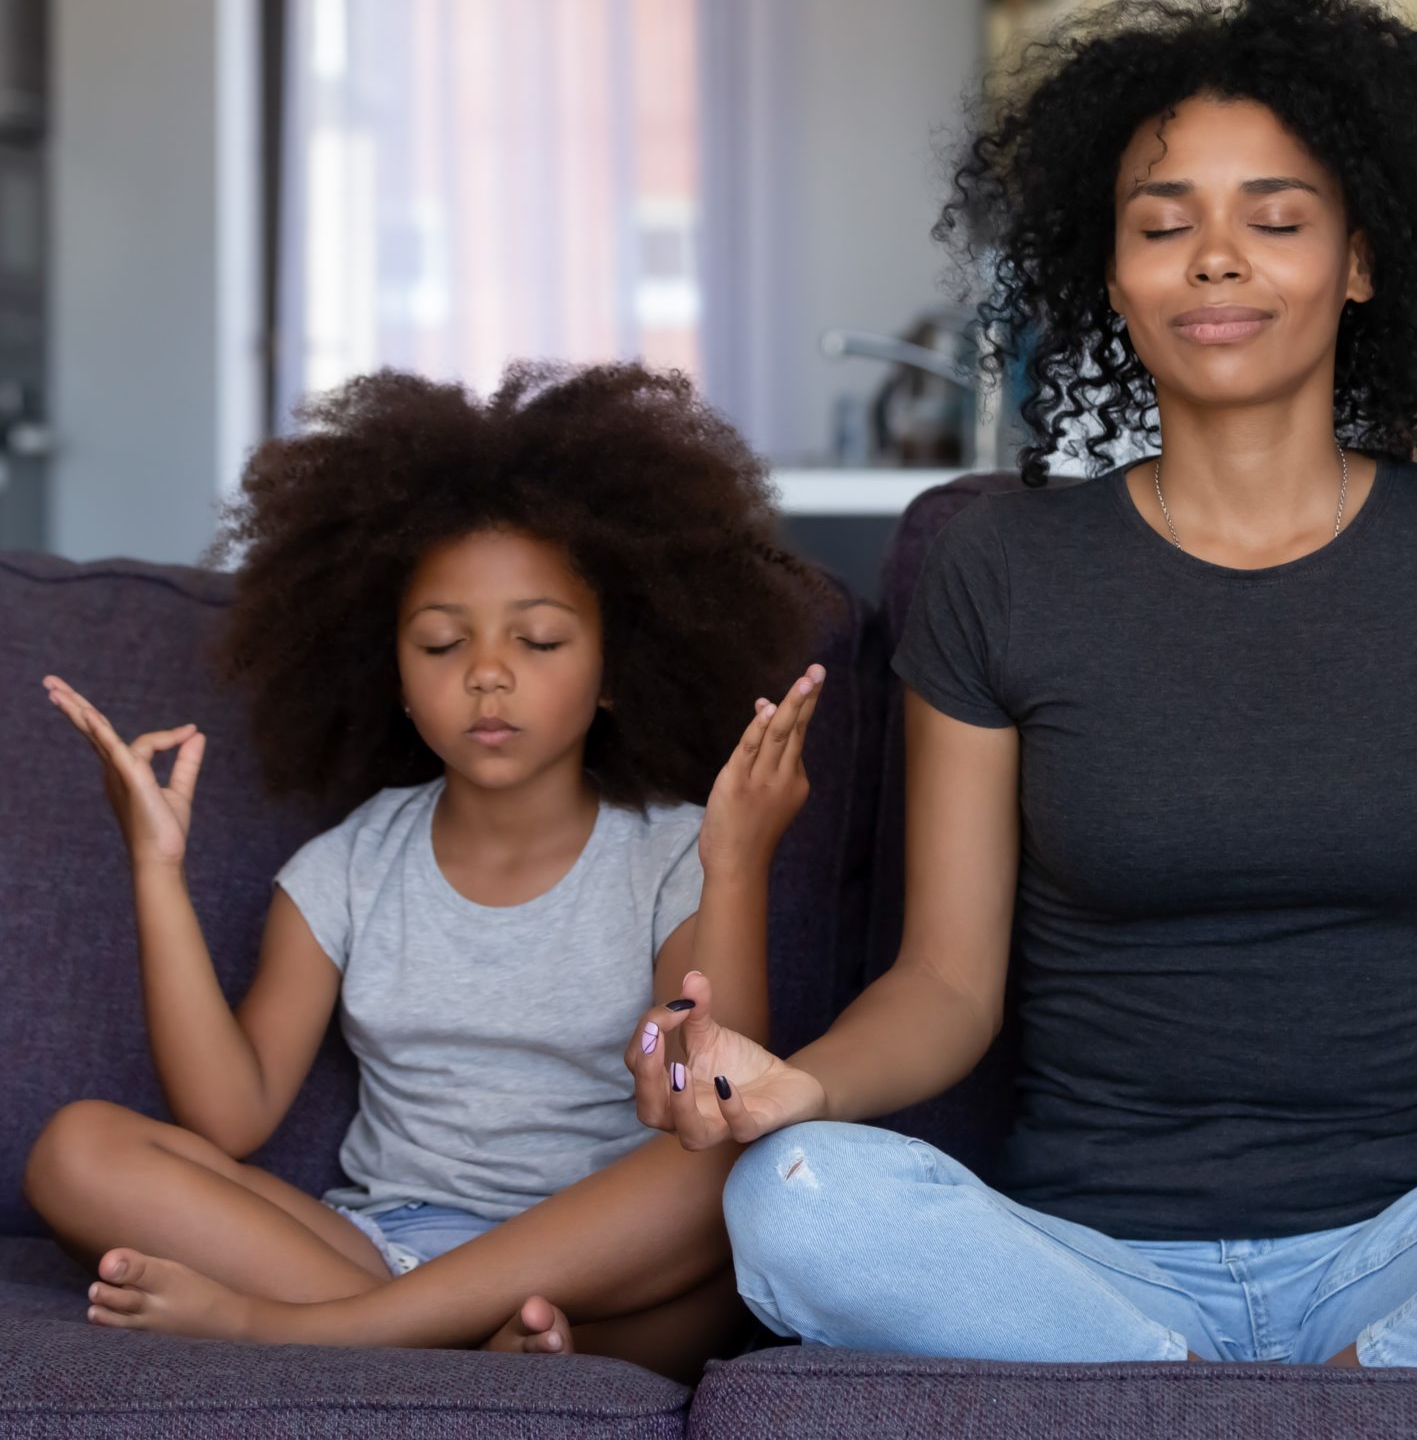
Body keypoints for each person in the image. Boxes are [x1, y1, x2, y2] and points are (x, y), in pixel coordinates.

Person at [626, 0, 1417, 1368]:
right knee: (795, 1199)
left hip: (1400, 1252)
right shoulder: (1007, 568)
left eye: (1275, 220)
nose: (1216, 258)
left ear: (1359, 259)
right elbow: (944, 986)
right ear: (1112, 276)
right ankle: (1216, 1395)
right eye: (1164, 225)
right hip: (1087, 1270)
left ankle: (1347, 1380)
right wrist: (794, 1090)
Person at [24, 362, 826, 1381]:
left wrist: (738, 861)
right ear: (392, 676)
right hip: (379, 1247)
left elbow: (703, 1092)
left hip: (603, 1265)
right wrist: (154, 866)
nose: (488, 672)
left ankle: (318, 1333)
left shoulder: (671, 853)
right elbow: (230, 1115)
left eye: (537, 639)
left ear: (617, 668)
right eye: (442, 643)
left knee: (721, 1173)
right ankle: (480, 1345)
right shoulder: (350, 866)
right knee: (76, 1149)